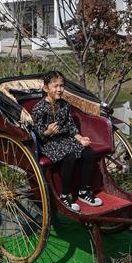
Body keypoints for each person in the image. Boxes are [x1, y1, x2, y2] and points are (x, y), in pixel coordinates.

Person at [30, 71, 103, 213]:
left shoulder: (64, 105)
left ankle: (84, 191)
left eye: (62, 86)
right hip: (48, 143)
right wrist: (48, 132)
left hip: (66, 139)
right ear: (46, 88)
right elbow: (37, 133)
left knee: (88, 153)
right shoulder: (39, 109)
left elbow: (70, 127)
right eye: (55, 86)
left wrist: (80, 138)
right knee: (69, 155)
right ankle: (65, 195)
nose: (59, 89)